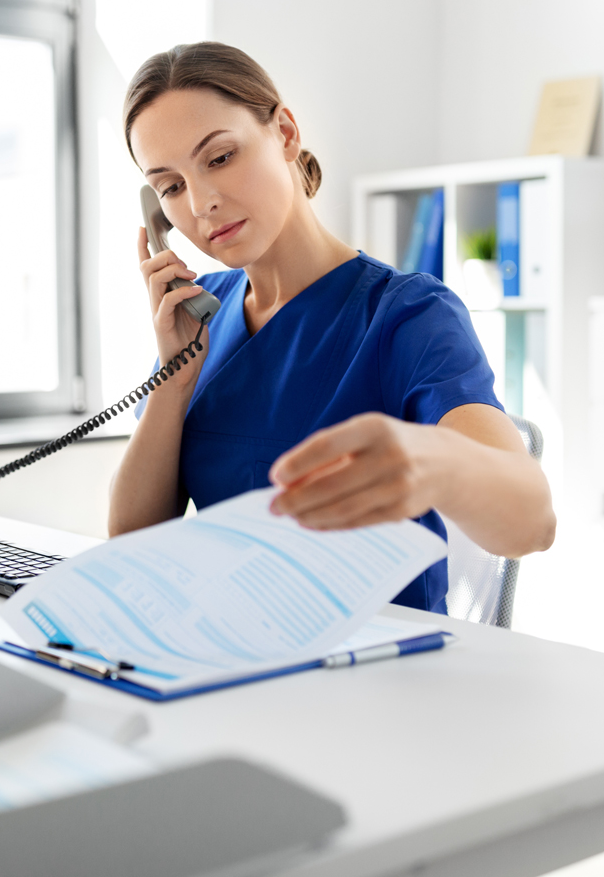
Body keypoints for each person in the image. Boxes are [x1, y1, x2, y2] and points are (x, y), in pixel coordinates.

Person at [108, 42, 555, 613]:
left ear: (286, 133)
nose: (201, 203)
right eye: (170, 186)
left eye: (219, 158)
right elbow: (131, 547)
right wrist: (174, 378)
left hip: (377, 673)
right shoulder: (198, 319)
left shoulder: (406, 316)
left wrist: (432, 462)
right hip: (238, 655)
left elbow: (532, 522)